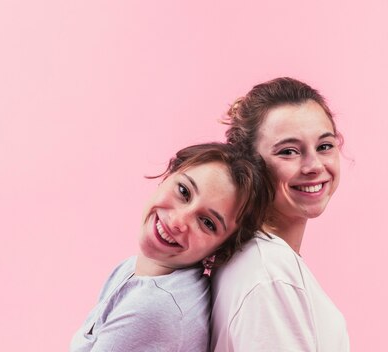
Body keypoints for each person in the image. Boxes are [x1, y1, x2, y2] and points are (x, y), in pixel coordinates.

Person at [71, 143, 273, 352]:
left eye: (207, 222)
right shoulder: (133, 270)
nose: (178, 221)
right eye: (184, 191)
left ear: (220, 249)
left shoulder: (154, 308)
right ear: (168, 175)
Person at [210, 77, 350, 351]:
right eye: (288, 151)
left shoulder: (257, 257)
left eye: (324, 146)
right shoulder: (270, 273)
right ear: (250, 165)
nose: (313, 165)